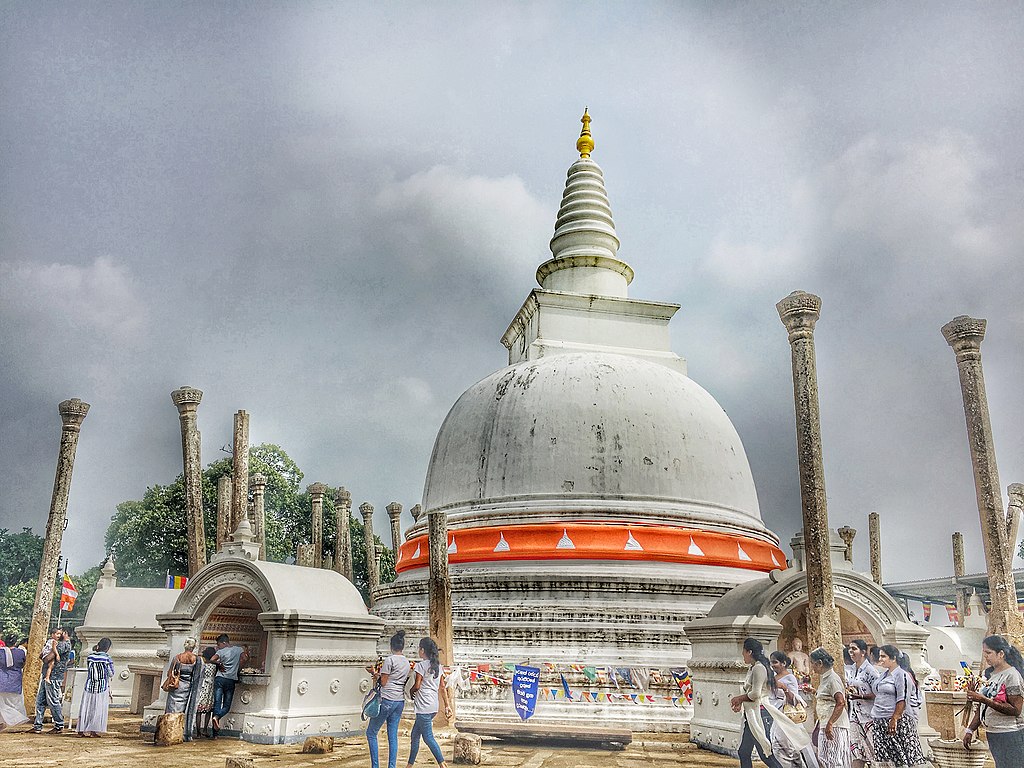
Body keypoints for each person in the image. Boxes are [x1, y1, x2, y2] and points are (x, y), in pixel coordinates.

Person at [729, 637, 809, 768]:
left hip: (759, 712)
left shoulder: (759, 668)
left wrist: (739, 698)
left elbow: (756, 694)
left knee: (765, 753)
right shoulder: (753, 668)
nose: (742, 654)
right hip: (752, 712)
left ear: (749, 652)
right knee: (744, 751)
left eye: (743, 651)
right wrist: (740, 701)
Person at [963, 634, 1024, 768]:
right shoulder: (991, 675)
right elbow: (982, 707)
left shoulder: (1011, 675)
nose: (986, 657)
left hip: (1009, 733)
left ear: (1001, 653)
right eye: (984, 653)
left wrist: (984, 699)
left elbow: (1016, 709)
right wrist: (970, 730)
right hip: (994, 732)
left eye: (989, 653)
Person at [868, 644, 926, 767]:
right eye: (880, 656)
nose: (880, 659)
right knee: (886, 758)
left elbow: (902, 698)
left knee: (902, 757)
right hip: (880, 719)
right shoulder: (884, 675)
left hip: (897, 720)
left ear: (893, 658)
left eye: (884, 656)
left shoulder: (902, 674)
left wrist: (895, 718)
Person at [406, 637, 453, 768]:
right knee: (415, 735)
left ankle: (442, 764)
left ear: (422, 650)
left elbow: (417, 686)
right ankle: (409, 765)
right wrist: (447, 706)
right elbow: (442, 687)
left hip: (423, 707)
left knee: (428, 737)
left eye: (419, 649)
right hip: (433, 706)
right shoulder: (438, 666)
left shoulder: (420, 666)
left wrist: (410, 692)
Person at [367, 629, 410, 768]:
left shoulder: (389, 660)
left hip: (387, 699)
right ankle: (392, 766)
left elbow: (384, 682)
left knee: (371, 732)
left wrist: (375, 674)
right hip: (399, 701)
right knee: (392, 735)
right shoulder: (407, 662)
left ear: (391, 646)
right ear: (402, 646)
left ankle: (375, 766)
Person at [809, 647, 850, 768]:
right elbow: (828, 698)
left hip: (834, 725)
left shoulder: (832, 679)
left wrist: (830, 723)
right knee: (825, 758)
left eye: (812, 663)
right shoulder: (825, 678)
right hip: (827, 722)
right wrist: (814, 691)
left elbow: (841, 702)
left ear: (820, 663)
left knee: (833, 759)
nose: (812, 666)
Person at [767, 651, 808, 768]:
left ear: (783, 663)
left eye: (775, 662)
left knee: (784, 748)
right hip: (776, 716)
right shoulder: (773, 678)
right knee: (779, 747)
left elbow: (794, 700)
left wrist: (784, 688)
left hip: (786, 716)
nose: (773, 665)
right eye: (771, 663)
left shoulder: (790, 677)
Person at [845, 638, 880, 768]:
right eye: (849, 648)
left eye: (854, 649)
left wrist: (861, 696)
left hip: (868, 717)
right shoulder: (850, 669)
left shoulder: (870, 671)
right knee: (855, 751)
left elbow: (878, 693)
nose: (851, 651)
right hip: (854, 716)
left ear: (863, 652)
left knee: (873, 750)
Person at [31, 627, 71, 734]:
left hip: (54, 676)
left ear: (65, 633)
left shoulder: (63, 645)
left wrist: (45, 657)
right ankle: (37, 725)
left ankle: (59, 725)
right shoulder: (57, 643)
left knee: (53, 701)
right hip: (47, 675)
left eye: (61, 633)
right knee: (40, 701)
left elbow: (47, 658)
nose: (59, 635)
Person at [164, 638, 203, 742]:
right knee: (186, 710)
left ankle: (170, 731)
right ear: (194, 646)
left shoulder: (177, 657)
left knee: (172, 710)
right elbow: (198, 676)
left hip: (176, 687)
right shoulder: (197, 659)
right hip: (189, 688)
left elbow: (170, 672)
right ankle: (185, 733)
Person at [210, 633, 248, 736]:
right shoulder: (238, 649)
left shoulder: (220, 652)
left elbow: (212, 659)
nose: (218, 647)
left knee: (217, 703)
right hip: (231, 679)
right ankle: (217, 718)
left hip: (219, 678)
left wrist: (219, 664)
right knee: (226, 705)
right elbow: (245, 658)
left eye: (219, 644)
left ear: (224, 642)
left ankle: (215, 733)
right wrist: (238, 668)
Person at [76, 638, 114, 737]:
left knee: (86, 707)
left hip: (89, 685)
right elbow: (111, 673)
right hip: (102, 686)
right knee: (97, 708)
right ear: (108, 648)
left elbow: (89, 669)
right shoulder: (107, 658)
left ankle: (82, 729)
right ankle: (93, 730)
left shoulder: (90, 657)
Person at [0, 635, 28, 732]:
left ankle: (3, 722)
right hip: (15, 681)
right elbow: (23, 663)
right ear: (15, 642)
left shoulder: (1, 652)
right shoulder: (20, 652)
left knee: (2, 704)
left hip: (2, 682)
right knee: (14, 704)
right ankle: (9, 721)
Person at [194, 647, 218, 738]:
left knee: (199, 711)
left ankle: (198, 732)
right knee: (208, 711)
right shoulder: (215, 666)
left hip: (202, 687)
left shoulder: (202, 664)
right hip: (211, 688)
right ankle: (205, 730)